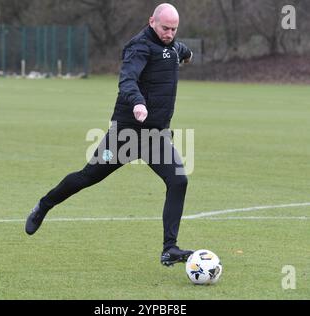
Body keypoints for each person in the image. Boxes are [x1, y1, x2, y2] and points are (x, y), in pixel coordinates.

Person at [25, 3, 194, 266]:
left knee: (179, 181)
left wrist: (188, 54)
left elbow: (180, 50)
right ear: (152, 21)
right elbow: (128, 79)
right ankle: (44, 205)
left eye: (174, 29)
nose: (169, 33)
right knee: (87, 176)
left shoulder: (172, 45)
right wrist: (137, 102)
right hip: (126, 135)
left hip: (156, 137)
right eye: (165, 28)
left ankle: (169, 249)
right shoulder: (138, 47)